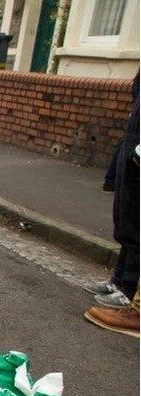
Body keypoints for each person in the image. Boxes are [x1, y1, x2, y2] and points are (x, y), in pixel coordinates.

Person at [85, 72, 140, 315]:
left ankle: (130, 290)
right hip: (133, 140)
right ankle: (119, 279)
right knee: (125, 218)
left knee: (136, 222)